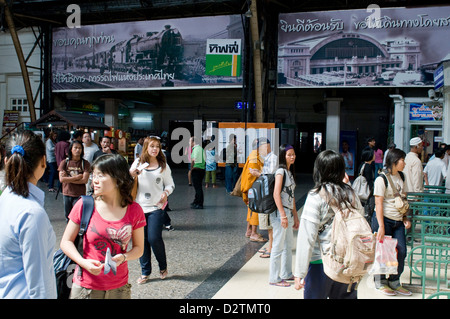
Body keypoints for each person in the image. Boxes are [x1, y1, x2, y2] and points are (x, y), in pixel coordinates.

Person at [60, 154, 146, 299]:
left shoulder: (134, 210)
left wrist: (124, 257)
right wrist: (84, 263)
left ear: (118, 178)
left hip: (119, 288)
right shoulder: (84, 205)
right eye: (94, 175)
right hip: (85, 287)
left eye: (100, 175)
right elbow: (65, 242)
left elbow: (139, 249)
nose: (95, 181)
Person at [294, 150, 363, 299]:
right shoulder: (351, 193)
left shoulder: (316, 195)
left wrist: (300, 272)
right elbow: (360, 221)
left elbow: (307, 236)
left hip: (321, 262)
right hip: (347, 261)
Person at [0, 131, 57, 298]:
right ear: (44, 162)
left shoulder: (5, 200)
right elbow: (39, 287)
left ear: (6, 161)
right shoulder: (31, 214)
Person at [130, 136, 175, 284]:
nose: (155, 149)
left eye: (157, 146)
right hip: (138, 207)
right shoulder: (138, 163)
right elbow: (127, 179)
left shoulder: (163, 165)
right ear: (146, 148)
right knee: (141, 241)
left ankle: (163, 267)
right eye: (152, 146)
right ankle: (145, 272)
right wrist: (133, 175)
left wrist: (165, 193)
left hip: (156, 206)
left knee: (154, 238)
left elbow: (170, 184)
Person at [371, 148, 412, 296]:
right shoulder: (381, 179)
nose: (404, 163)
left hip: (398, 221)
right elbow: (378, 204)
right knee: (383, 252)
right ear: (394, 161)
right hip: (384, 220)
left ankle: (394, 280)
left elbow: (403, 198)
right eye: (402, 160)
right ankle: (380, 281)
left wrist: (406, 217)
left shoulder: (402, 176)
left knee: (401, 250)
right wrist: (381, 226)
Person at [269, 144, 299, 287]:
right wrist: (283, 215)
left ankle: (286, 273)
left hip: (288, 212)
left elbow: (291, 196)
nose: (292, 157)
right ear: (283, 156)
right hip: (280, 213)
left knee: (288, 245)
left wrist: (295, 215)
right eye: (289, 155)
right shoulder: (280, 172)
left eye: (293, 154)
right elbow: (276, 194)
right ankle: (274, 278)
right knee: (278, 246)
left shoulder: (289, 172)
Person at [247, 139, 278, 257]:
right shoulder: (268, 158)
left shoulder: (273, 158)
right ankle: (270, 247)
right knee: (268, 225)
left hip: (268, 196)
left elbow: (270, 177)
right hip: (265, 194)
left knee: (270, 225)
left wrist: (258, 174)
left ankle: (271, 249)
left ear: (267, 146)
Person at [241, 138, 266, 242]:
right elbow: (252, 174)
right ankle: (254, 233)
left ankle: (249, 231)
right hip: (253, 188)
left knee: (251, 208)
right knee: (255, 209)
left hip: (252, 188)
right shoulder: (254, 157)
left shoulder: (255, 155)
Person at [58, 140, 90, 221]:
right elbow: (61, 179)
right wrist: (77, 177)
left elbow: (84, 180)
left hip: (79, 194)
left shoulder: (85, 163)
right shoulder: (64, 162)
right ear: (71, 149)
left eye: (80, 148)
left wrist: (68, 179)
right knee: (67, 216)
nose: (78, 150)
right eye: (75, 148)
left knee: (78, 217)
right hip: (67, 193)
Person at [359, 147, 376, 221]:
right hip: (367, 192)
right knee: (369, 210)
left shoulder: (362, 165)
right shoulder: (368, 167)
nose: (374, 156)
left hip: (362, 192)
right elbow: (369, 181)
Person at [190, 136, 206, 209]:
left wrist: (192, 168)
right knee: (198, 187)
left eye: (190, 141)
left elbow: (193, 160)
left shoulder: (195, 149)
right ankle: (196, 201)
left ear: (194, 142)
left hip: (196, 169)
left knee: (198, 188)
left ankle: (199, 203)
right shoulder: (201, 149)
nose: (189, 143)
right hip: (202, 169)